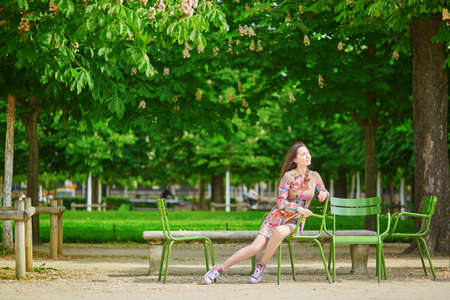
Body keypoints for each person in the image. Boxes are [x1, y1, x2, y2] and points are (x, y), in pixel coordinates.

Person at [203, 141, 329, 284]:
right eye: (303, 154)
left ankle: (261, 264)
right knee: (255, 247)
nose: (308, 156)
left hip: (295, 221)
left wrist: (324, 193)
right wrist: (298, 208)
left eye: (308, 153)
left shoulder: (315, 176)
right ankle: (219, 269)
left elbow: (322, 190)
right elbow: (281, 203)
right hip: (276, 217)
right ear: (295, 159)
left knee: (280, 232)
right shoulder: (288, 176)